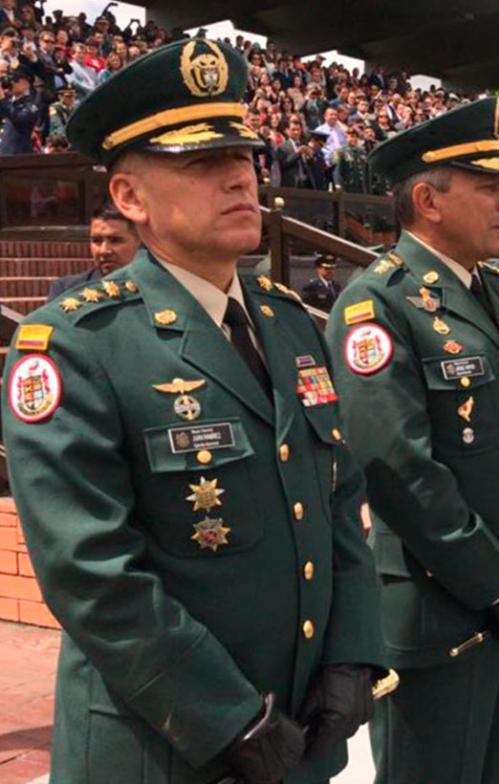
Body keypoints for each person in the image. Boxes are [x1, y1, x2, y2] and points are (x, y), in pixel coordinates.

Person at [5, 37, 387, 784]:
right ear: (129, 198)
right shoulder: (78, 345)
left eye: (243, 159)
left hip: (300, 728)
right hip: (167, 746)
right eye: (203, 164)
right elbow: (90, 571)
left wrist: (354, 651)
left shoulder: (287, 321)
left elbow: (338, 496)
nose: (241, 179)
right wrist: (227, 717)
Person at [326, 97, 499, 784]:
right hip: (442, 612)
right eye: (489, 188)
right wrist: (492, 583)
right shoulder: (380, 302)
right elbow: (397, 466)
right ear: (430, 201)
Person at [47, 199, 140, 300]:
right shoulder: (67, 290)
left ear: (139, 241)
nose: (103, 251)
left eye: (115, 240)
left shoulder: (155, 288)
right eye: (96, 241)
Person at [0, 63, 39, 153]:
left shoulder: (32, 103)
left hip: (18, 156)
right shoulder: (9, 102)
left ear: (26, 82)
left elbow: (20, 119)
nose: (11, 83)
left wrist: (2, 100)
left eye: (14, 80)